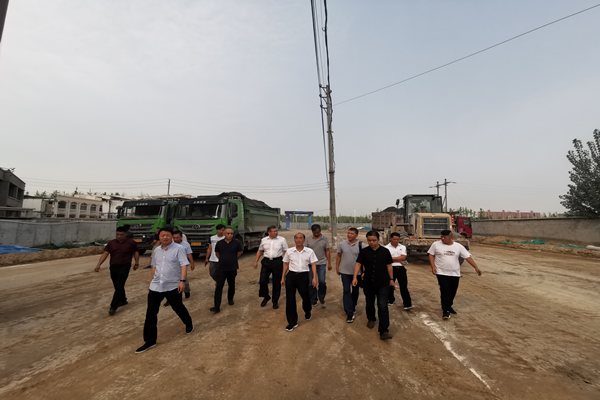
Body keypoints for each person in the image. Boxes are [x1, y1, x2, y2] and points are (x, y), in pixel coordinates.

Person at [136, 227, 193, 354]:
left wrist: (182, 281)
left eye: (167, 235)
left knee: (178, 307)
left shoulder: (179, 249)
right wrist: (151, 281)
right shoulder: (156, 250)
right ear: (159, 237)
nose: (165, 237)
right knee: (151, 313)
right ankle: (150, 340)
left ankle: (188, 322)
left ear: (172, 236)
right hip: (156, 286)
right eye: (162, 235)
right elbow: (154, 266)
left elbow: (184, 264)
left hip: (173, 285)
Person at [428, 230, 482, 319]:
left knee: (452, 291)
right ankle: (445, 310)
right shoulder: (436, 245)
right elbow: (431, 255)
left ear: (451, 238)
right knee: (445, 291)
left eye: (444, 237)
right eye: (441, 237)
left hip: (455, 273)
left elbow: (467, 257)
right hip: (441, 272)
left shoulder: (458, 246)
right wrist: (433, 266)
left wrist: (476, 267)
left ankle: (449, 306)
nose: (442, 239)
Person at [352, 231, 395, 340]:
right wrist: (355, 277)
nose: (371, 242)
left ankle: (384, 330)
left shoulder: (385, 251)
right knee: (369, 303)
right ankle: (371, 318)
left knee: (382, 306)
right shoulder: (364, 252)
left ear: (378, 240)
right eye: (369, 240)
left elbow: (389, 265)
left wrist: (391, 279)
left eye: (374, 240)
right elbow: (358, 264)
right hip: (368, 283)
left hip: (383, 283)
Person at [94, 225, 140, 315]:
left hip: (125, 266)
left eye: (121, 235)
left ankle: (113, 306)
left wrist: (136, 263)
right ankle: (123, 300)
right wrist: (99, 264)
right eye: (117, 234)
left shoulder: (131, 243)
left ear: (125, 234)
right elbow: (106, 253)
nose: (119, 236)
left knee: (119, 285)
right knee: (117, 285)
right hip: (113, 267)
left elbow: (136, 252)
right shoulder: (111, 243)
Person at [281, 233, 318, 332]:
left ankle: (307, 311)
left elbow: (313, 265)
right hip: (291, 276)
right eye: (296, 238)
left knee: (305, 297)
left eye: (300, 238)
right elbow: (286, 264)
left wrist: (314, 278)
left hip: (303, 276)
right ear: (294, 240)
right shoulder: (289, 251)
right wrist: (283, 277)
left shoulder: (309, 251)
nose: (298, 240)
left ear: (304, 240)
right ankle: (292, 322)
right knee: (290, 299)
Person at [254, 225, 288, 309]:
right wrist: (256, 261)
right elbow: (260, 250)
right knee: (262, 281)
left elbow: (286, 251)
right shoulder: (264, 240)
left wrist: (288, 262)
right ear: (269, 232)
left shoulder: (282, 240)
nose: (276, 232)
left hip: (277, 262)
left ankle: (275, 301)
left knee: (276, 283)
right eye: (274, 231)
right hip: (266, 262)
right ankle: (266, 296)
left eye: (276, 231)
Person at [211, 227, 243, 313]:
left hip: (232, 268)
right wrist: (224, 259)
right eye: (228, 233)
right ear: (224, 234)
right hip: (221, 268)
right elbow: (217, 253)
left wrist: (232, 259)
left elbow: (239, 253)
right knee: (219, 286)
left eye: (231, 233)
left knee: (231, 284)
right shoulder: (219, 243)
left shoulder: (236, 242)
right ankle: (216, 306)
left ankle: (230, 298)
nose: (230, 235)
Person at [336, 228, 363, 323]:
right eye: (348, 233)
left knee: (355, 291)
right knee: (346, 291)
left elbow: (364, 259)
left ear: (356, 235)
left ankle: (353, 305)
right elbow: (339, 255)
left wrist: (364, 272)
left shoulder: (361, 245)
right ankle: (349, 313)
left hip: (357, 273)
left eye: (352, 233)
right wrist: (337, 267)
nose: (349, 235)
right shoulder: (342, 244)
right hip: (345, 272)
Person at [164, 231, 195, 307]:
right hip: (171, 266)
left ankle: (186, 291)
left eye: (177, 237)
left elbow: (189, 254)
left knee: (184, 281)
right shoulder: (169, 244)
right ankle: (170, 299)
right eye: (174, 238)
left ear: (181, 237)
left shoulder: (186, 244)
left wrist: (192, 263)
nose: (175, 239)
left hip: (182, 266)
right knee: (170, 282)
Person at [305, 224, 331, 308]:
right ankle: (313, 300)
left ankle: (321, 297)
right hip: (310, 264)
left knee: (322, 281)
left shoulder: (325, 239)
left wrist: (329, 263)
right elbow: (304, 250)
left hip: (321, 263)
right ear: (312, 232)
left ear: (320, 231)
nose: (316, 234)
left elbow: (327, 251)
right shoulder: (308, 239)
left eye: (317, 232)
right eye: (314, 233)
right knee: (311, 283)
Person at [385, 232, 413, 310]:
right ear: (390, 239)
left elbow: (403, 257)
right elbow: (386, 259)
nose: (396, 241)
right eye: (394, 239)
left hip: (401, 269)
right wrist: (399, 259)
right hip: (390, 268)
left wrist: (392, 258)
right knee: (390, 286)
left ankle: (407, 304)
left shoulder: (403, 247)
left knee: (404, 287)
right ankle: (390, 300)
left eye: (398, 239)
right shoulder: (386, 248)